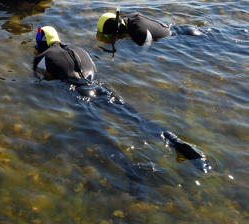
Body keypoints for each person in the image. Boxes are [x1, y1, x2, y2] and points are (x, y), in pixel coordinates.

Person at [33, 25, 211, 175]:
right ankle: (175, 142)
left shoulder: (41, 57)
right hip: (100, 88)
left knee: (97, 132)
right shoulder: (79, 49)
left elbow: (41, 78)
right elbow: (93, 69)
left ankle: (132, 170)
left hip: (78, 93)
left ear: (42, 42)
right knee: (136, 118)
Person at [96, 10, 172, 47]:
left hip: (170, 39)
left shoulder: (139, 34)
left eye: (109, 36)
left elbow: (143, 51)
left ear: (117, 32)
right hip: (166, 27)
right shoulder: (128, 18)